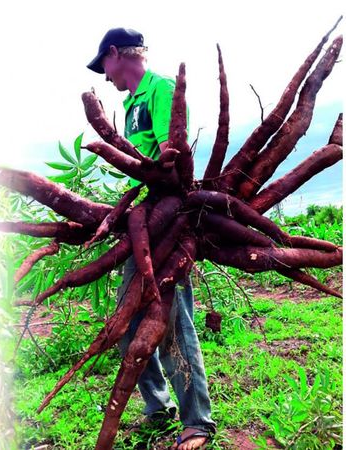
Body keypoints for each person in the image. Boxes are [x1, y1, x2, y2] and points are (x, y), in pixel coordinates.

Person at [87, 27, 216, 450]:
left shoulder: (160, 89)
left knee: (175, 323)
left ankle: (198, 421)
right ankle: (157, 406)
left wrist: (143, 158)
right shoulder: (130, 103)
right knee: (127, 325)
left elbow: (168, 154)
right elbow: (138, 162)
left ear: (115, 54)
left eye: (103, 66)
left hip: (170, 216)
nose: (104, 76)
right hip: (144, 217)